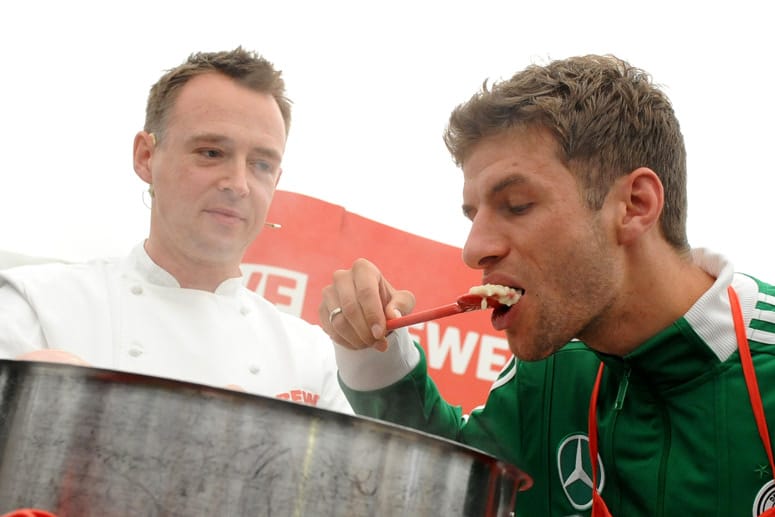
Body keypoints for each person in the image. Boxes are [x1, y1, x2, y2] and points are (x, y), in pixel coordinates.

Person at [320, 54, 775, 515]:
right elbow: (445, 480)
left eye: (516, 205)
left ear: (635, 205)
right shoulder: (549, 375)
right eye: (473, 215)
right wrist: (369, 346)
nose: (473, 249)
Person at [0, 47, 351, 414]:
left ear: (276, 180)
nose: (238, 184)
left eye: (261, 164)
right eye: (211, 152)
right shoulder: (37, 305)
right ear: (145, 157)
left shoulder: (312, 357)